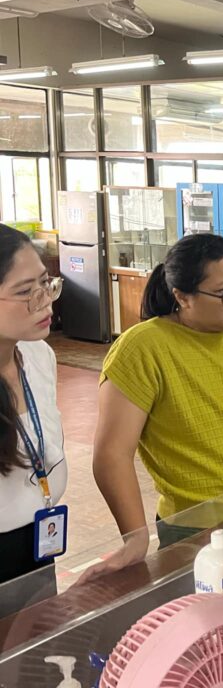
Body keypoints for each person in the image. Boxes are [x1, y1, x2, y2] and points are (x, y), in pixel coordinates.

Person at [91, 234, 223, 572]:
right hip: (195, 527)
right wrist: (135, 539)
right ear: (182, 296)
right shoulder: (143, 347)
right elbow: (112, 455)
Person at [0, 224, 65, 609]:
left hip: (39, 545)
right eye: (25, 291)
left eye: (45, 283)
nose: (44, 301)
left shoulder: (38, 356)